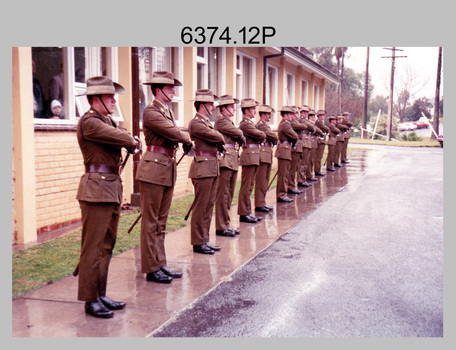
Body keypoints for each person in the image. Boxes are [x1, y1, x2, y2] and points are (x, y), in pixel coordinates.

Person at [76, 76, 140, 318]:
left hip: (110, 188)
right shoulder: (90, 121)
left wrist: (127, 136)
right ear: (95, 99)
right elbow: (124, 137)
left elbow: (121, 134)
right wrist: (130, 139)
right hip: (96, 190)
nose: (114, 101)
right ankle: (89, 299)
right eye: (109, 96)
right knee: (92, 247)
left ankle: (100, 293)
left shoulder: (107, 120)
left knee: (106, 246)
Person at [136, 71, 193, 283]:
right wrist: (187, 139)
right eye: (170, 88)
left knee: (161, 221)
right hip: (154, 169)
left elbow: (172, 131)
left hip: (165, 167)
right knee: (150, 222)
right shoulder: (151, 111)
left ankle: (160, 263)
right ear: (158, 90)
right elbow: (172, 132)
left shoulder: (165, 111)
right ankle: (152, 268)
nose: (173, 91)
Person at [188, 89, 225, 254]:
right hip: (202, 168)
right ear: (202, 105)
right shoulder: (196, 123)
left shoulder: (206, 123)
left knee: (209, 206)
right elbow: (218, 137)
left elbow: (215, 137)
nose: (213, 106)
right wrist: (218, 136)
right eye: (210, 103)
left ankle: (204, 239)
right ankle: (198, 242)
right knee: (201, 206)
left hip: (211, 168)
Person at [214, 95, 245, 237]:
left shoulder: (228, 121)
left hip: (231, 159)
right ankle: (221, 226)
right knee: (223, 194)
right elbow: (238, 133)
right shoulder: (221, 120)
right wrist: (240, 135)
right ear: (224, 108)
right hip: (225, 160)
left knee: (229, 194)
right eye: (231, 106)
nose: (234, 109)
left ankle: (226, 224)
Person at [237, 98, 266, 223]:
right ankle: (244, 213)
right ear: (247, 110)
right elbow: (261, 135)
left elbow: (259, 135)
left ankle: (247, 211)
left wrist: (259, 135)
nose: (255, 111)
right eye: (253, 109)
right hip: (249, 156)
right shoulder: (245, 124)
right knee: (246, 185)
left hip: (253, 155)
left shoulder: (250, 123)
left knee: (250, 186)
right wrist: (260, 135)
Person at [254, 105, 278, 212]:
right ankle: (259, 203)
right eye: (268, 114)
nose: (269, 116)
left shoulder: (265, 125)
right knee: (261, 180)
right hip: (263, 153)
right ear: (263, 114)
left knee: (265, 179)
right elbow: (273, 136)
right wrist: (275, 138)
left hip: (267, 153)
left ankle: (262, 202)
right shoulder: (261, 125)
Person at [275, 106, 298, 202]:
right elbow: (295, 136)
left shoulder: (285, 124)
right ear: (286, 115)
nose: (292, 116)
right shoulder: (285, 125)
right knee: (283, 174)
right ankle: (281, 195)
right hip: (284, 150)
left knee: (285, 173)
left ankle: (283, 193)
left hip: (285, 150)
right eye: (290, 114)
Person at [288, 107, 306, 195]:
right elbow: (304, 126)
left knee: (295, 167)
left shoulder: (295, 122)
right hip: (294, 148)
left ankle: (291, 185)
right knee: (292, 169)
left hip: (298, 147)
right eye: (296, 113)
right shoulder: (292, 123)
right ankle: (290, 186)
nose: (297, 115)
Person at [297, 106, 314, 188]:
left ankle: (303, 179)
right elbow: (310, 127)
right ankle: (300, 180)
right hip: (304, 142)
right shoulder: (302, 120)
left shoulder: (305, 120)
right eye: (305, 112)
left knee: (305, 162)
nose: (307, 114)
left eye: (307, 112)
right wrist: (313, 128)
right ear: (302, 113)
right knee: (303, 162)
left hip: (307, 141)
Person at [314, 110, 330, 176]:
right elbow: (326, 128)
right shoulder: (318, 122)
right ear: (319, 116)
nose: (323, 116)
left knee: (320, 156)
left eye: (324, 115)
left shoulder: (321, 122)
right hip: (320, 141)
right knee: (318, 156)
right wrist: (327, 129)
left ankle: (318, 169)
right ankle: (317, 170)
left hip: (322, 140)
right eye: (322, 115)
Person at [305, 110, 319, 182]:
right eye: (313, 116)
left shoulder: (312, 123)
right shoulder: (308, 123)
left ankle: (309, 174)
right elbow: (316, 130)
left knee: (311, 159)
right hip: (310, 141)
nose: (314, 117)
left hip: (311, 141)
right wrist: (321, 133)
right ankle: (308, 175)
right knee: (309, 160)